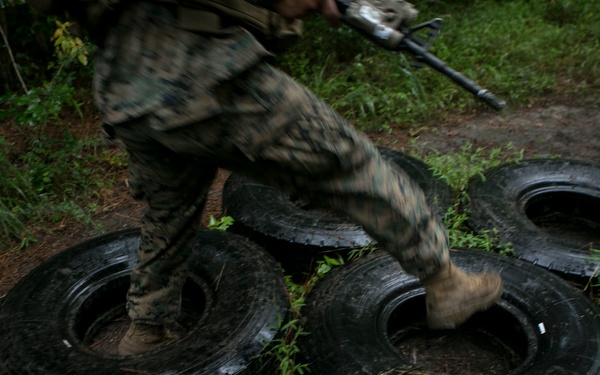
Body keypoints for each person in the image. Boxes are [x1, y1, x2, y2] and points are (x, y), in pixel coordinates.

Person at [31, 0, 503, 356]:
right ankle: (446, 284)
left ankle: (147, 328)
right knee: (356, 165)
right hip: (207, 72)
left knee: (169, 212)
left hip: (126, 90)